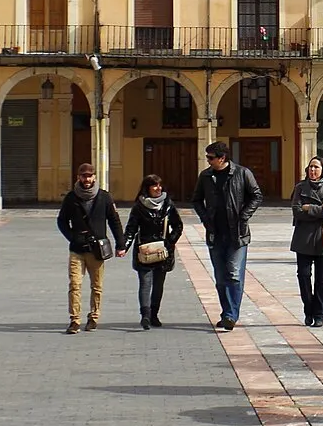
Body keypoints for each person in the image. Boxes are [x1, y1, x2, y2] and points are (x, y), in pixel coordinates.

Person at [192, 142, 262, 331]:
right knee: (221, 276)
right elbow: (196, 200)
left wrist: (244, 216)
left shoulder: (242, 173)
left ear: (222, 158)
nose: (208, 160)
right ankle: (226, 312)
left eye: (211, 157)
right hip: (215, 233)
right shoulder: (206, 176)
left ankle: (231, 315)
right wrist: (205, 218)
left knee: (233, 273)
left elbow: (256, 195)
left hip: (237, 234)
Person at [57, 163, 125, 333]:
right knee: (75, 284)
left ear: (94, 177)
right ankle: (75, 320)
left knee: (97, 286)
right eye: (83, 176)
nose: (86, 179)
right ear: (78, 177)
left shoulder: (104, 197)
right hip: (77, 249)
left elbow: (114, 221)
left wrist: (121, 244)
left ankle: (94, 317)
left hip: (97, 250)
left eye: (89, 176)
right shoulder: (71, 198)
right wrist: (72, 237)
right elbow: (61, 221)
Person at [125, 174, 182, 329]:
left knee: (158, 285)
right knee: (145, 283)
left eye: (159, 185)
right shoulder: (139, 206)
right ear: (147, 188)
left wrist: (170, 241)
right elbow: (131, 228)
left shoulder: (168, 205)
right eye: (154, 185)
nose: (158, 188)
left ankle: (154, 314)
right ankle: (145, 315)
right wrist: (124, 245)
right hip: (144, 249)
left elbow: (178, 225)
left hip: (162, 251)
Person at [290, 158, 323, 328]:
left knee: (321, 280)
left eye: (316, 167)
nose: (313, 170)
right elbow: (296, 211)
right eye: (310, 167)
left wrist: (308, 207)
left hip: (322, 239)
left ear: (322, 170)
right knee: (303, 276)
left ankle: (319, 315)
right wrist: (319, 208)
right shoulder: (300, 188)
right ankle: (308, 310)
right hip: (303, 239)